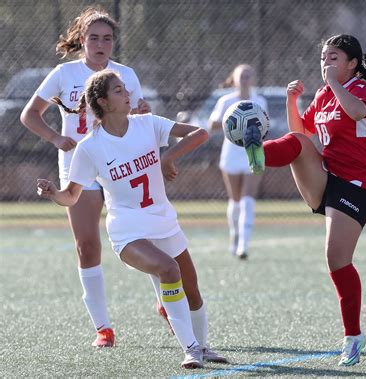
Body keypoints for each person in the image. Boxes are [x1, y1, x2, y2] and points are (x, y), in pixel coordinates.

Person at [36, 69, 228, 368]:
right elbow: (71, 196)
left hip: (163, 219)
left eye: (125, 89)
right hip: (128, 230)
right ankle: (190, 349)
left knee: (192, 288)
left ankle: (202, 347)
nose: (127, 94)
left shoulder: (147, 124)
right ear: (103, 102)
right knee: (168, 269)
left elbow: (200, 133)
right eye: (119, 91)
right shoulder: (90, 147)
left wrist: (168, 156)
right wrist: (53, 193)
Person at [20, 6, 170, 348]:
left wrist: (142, 111)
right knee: (87, 246)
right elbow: (30, 115)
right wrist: (57, 138)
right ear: (82, 41)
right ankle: (103, 328)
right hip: (80, 163)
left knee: (144, 234)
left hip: (121, 162)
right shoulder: (64, 73)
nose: (101, 44)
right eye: (94, 38)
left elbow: (134, 114)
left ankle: (165, 302)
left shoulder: (125, 74)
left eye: (107, 38)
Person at [243, 34, 366, 366]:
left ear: (352, 63)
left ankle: (353, 337)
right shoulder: (321, 94)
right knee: (298, 144)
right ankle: (257, 154)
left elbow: (358, 112)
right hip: (328, 177)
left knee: (336, 258)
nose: (326, 63)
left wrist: (335, 83)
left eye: (334, 58)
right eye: (323, 57)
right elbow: (302, 134)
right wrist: (292, 100)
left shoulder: (359, 89)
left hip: (357, 185)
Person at [208, 64, 268, 260]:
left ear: (253, 79)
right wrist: (232, 120)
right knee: (235, 201)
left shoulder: (259, 101)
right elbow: (213, 124)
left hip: (252, 153)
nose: (245, 79)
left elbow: (264, 126)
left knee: (247, 201)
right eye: (242, 76)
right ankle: (234, 236)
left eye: (249, 75)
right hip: (231, 155)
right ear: (234, 79)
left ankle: (244, 244)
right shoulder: (226, 101)